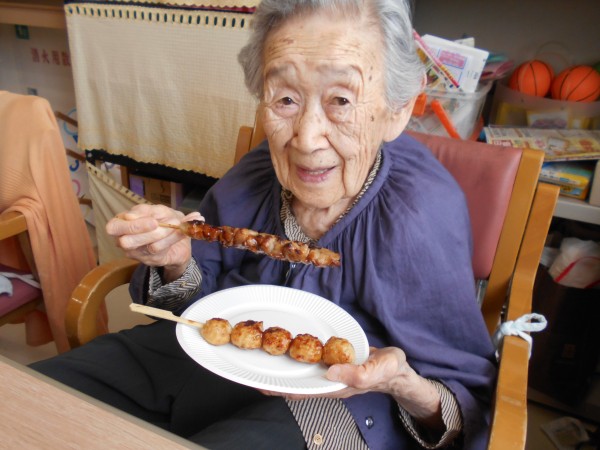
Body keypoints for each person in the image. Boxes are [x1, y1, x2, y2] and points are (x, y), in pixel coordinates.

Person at [31, 0, 496, 448]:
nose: (306, 139)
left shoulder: (419, 215)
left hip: (341, 401)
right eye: (286, 99)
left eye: (341, 99)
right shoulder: (258, 171)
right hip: (212, 352)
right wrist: (174, 262)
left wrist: (401, 384)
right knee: (35, 400)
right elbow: (191, 301)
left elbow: (465, 403)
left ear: (397, 109)